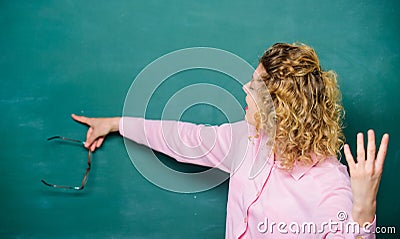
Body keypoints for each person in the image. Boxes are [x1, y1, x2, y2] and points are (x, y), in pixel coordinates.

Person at [71, 43, 389, 238]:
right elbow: (184, 138)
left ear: (279, 108)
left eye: (254, 86)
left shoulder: (329, 184)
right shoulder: (247, 140)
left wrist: (363, 211)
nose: (244, 88)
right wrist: (116, 123)